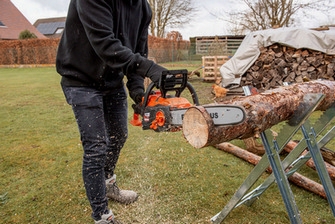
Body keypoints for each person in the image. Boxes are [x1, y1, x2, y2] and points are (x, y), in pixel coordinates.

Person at [56, 0, 166, 223]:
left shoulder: (143, 8)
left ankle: (108, 185)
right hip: (80, 80)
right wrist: (150, 68)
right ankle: (101, 215)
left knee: (118, 135)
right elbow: (106, 45)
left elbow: (138, 53)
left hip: (112, 81)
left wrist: (138, 92)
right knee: (97, 146)